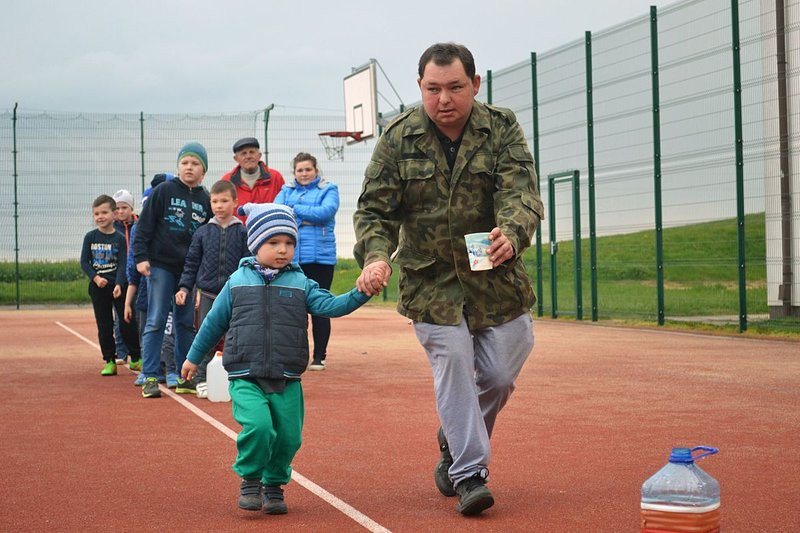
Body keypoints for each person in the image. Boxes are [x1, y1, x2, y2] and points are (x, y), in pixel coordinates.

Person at [353, 42, 544, 517]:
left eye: (455, 87)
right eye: (433, 88)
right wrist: (376, 257)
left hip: (494, 274)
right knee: (454, 359)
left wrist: (513, 232)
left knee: (499, 376)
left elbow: (521, 191)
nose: (444, 99)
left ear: (475, 85)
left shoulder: (501, 128)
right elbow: (374, 210)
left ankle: (454, 434)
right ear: (420, 87)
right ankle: (469, 473)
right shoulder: (398, 138)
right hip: (430, 279)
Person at [181, 202, 370, 515]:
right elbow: (213, 323)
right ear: (255, 244)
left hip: (287, 377)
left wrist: (361, 292)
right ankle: (251, 479)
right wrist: (192, 358)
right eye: (273, 242)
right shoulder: (237, 283)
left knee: (288, 438)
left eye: (289, 243)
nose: (282, 250)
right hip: (245, 374)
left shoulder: (301, 284)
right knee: (258, 427)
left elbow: (332, 306)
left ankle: (274, 485)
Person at [133, 142, 211, 398]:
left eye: (195, 163)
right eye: (185, 162)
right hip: (160, 265)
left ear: (204, 170)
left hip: (188, 271)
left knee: (185, 323)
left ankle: (184, 376)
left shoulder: (205, 199)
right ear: (178, 166)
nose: (189, 167)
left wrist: (200, 273)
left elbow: (206, 237)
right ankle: (150, 376)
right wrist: (141, 257)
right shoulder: (164, 191)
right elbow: (144, 226)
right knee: (155, 320)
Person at [175, 179, 248, 398]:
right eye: (215, 201)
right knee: (206, 338)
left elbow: (248, 263)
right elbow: (191, 263)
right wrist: (184, 288)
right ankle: (202, 379)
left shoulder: (243, 232)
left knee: (235, 338)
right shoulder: (202, 232)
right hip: (207, 294)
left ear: (235, 202)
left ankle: (238, 382)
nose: (219, 205)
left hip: (234, 295)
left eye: (224, 201)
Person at [274, 152, 339, 370]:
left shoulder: (329, 189)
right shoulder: (286, 190)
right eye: (300, 170)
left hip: (321, 259)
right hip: (294, 258)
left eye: (308, 169)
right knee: (294, 308)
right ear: (294, 173)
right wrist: (305, 216)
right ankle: (296, 355)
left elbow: (325, 212)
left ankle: (319, 356)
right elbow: (278, 211)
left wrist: (295, 211)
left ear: (315, 170)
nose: (304, 174)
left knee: (320, 307)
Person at [81, 194, 142, 376]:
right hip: (98, 288)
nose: (100, 217)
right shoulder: (90, 237)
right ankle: (109, 360)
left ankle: (136, 357)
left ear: (114, 214)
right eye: (96, 214)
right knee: (104, 325)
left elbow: (123, 263)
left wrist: (119, 284)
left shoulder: (120, 238)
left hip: (118, 287)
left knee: (126, 322)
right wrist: (96, 278)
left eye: (104, 212)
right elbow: (84, 262)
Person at [221, 137, 285, 222]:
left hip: (269, 231)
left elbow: (284, 207)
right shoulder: (227, 181)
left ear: (259, 155)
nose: (248, 156)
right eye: (243, 153)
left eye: (252, 152)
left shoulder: (275, 177)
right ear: (236, 159)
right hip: (238, 233)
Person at [111, 188, 139, 368]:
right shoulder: (112, 228)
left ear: (131, 208)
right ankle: (121, 351)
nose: (120, 212)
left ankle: (138, 349)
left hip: (136, 273)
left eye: (124, 208)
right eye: (117, 209)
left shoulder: (140, 224)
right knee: (119, 316)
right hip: (119, 277)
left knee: (136, 314)